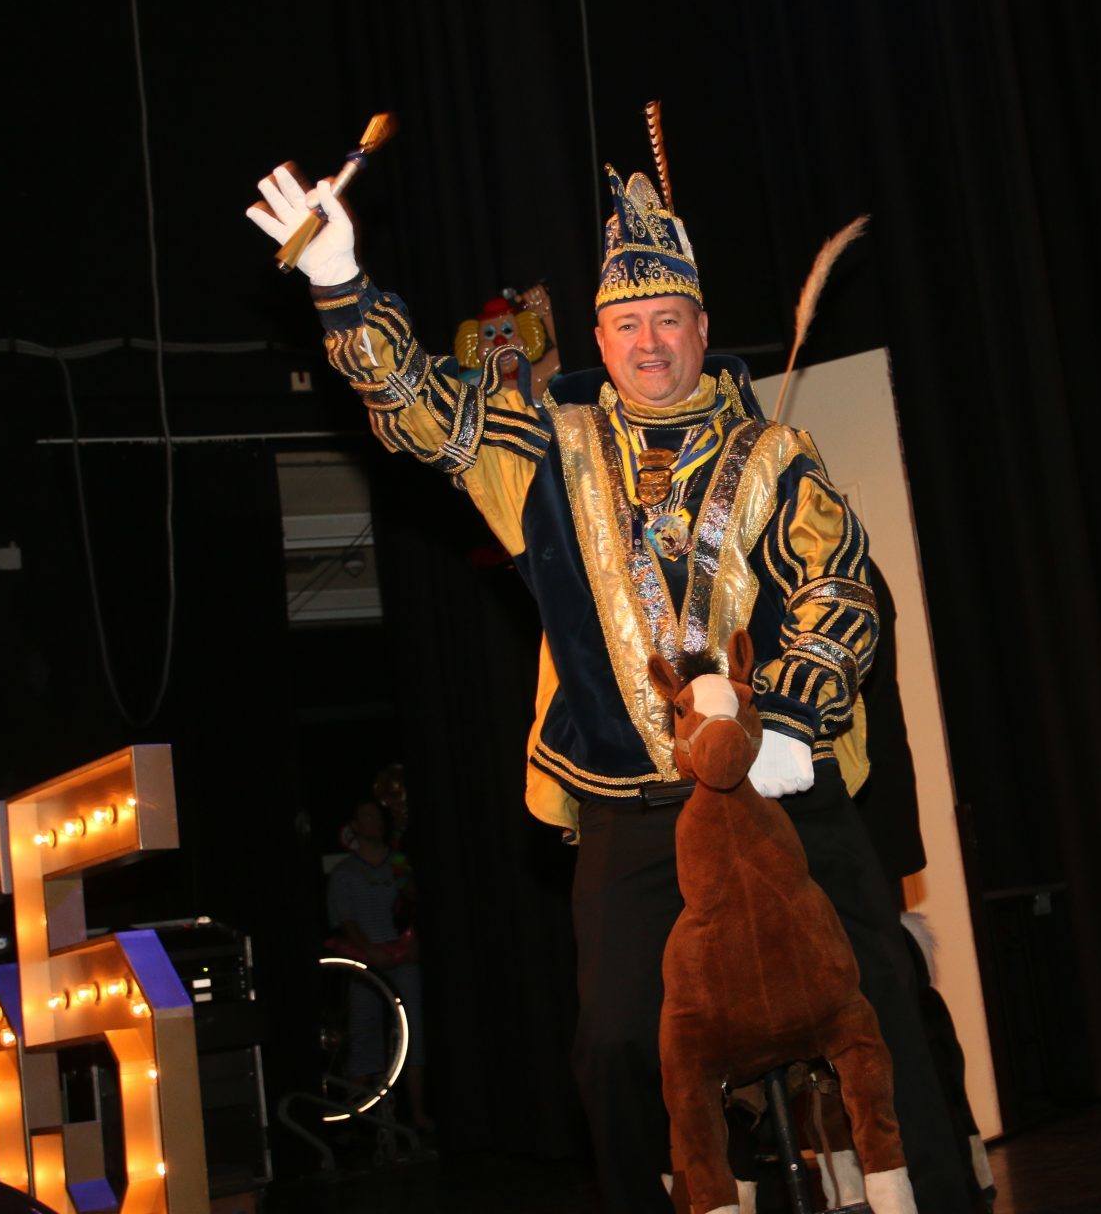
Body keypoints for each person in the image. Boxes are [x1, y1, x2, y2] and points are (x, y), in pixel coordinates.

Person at [246, 145, 969, 1212]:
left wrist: (790, 720)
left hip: (779, 782)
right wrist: (340, 281)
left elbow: (840, 588)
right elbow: (421, 406)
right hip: (633, 801)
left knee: (884, 997)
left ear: (702, 330)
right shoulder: (545, 445)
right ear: (598, 339)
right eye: (627, 324)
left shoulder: (776, 453)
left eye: (667, 320)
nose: (649, 342)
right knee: (618, 1044)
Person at [325, 798, 431, 1134]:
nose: (373, 822)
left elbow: (415, 907)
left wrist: (412, 942)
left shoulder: (399, 865)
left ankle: (417, 1113)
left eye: (376, 816)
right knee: (364, 1031)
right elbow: (345, 920)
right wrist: (368, 950)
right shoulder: (345, 873)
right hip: (365, 961)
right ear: (355, 826)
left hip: (402, 957)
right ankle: (357, 1118)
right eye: (365, 817)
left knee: (413, 1032)